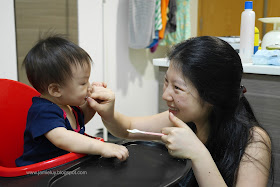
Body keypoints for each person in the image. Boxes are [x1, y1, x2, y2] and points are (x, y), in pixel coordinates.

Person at [87, 36, 273, 186]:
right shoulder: (182, 119)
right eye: (166, 81)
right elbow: (128, 128)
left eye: (177, 88)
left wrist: (198, 153)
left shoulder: (254, 142)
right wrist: (108, 113)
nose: (166, 95)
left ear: (212, 97)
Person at [16, 35, 128, 167]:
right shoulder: (43, 111)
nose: (89, 87)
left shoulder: (67, 105)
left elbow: (80, 120)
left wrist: (92, 104)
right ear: (56, 90)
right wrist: (102, 147)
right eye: (83, 83)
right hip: (37, 174)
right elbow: (62, 138)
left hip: (63, 167)